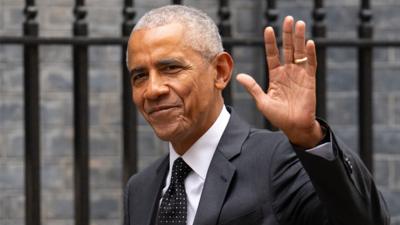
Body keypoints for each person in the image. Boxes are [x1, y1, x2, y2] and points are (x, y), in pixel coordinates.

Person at [124, 5, 389, 225]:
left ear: (220, 72)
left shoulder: (279, 160)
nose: (153, 90)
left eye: (170, 68)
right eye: (140, 76)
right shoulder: (140, 189)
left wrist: (309, 137)